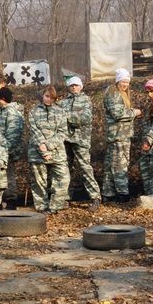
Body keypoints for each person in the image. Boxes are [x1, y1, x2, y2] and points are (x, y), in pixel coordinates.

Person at [27, 85, 70, 213]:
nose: (49, 99)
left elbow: (62, 132)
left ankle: (55, 206)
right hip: (37, 152)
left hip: (57, 152)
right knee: (39, 182)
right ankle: (42, 208)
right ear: (43, 96)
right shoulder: (33, 112)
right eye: (47, 96)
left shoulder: (60, 112)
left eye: (52, 98)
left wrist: (48, 146)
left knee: (63, 179)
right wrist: (43, 150)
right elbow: (34, 131)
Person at [61, 75, 101, 208]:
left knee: (85, 168)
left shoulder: (86, 100)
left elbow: (84, 119)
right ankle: (64, 198)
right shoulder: (63, 102)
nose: (74, 88)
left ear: (81, 87)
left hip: (81, 140)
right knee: (65, 169)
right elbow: (58, 118)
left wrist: (66, 117)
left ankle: (95, 197)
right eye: (72, 85)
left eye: (76, 85)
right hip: (66, 139)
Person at [102, 68, 139, 203]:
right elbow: (117, 114)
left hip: (119, 135)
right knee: (120, 164)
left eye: (127, 82)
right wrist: (134, 112)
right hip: (119, 136)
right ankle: (122, 193)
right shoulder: (114, 94)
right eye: (123, 82)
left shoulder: (120, 93)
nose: (125, 85)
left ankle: (108, 193)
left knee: (111, 164)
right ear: (117, 81)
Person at [0, 86, 25, 207]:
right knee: (1, 176)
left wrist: (5, 151)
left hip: (8, 151)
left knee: (8, 175)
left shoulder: (12, 113)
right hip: (1, 150)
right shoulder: (2, 111)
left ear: (4, 99)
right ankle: (1, 201)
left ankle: (11, 201)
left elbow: (12, 136)